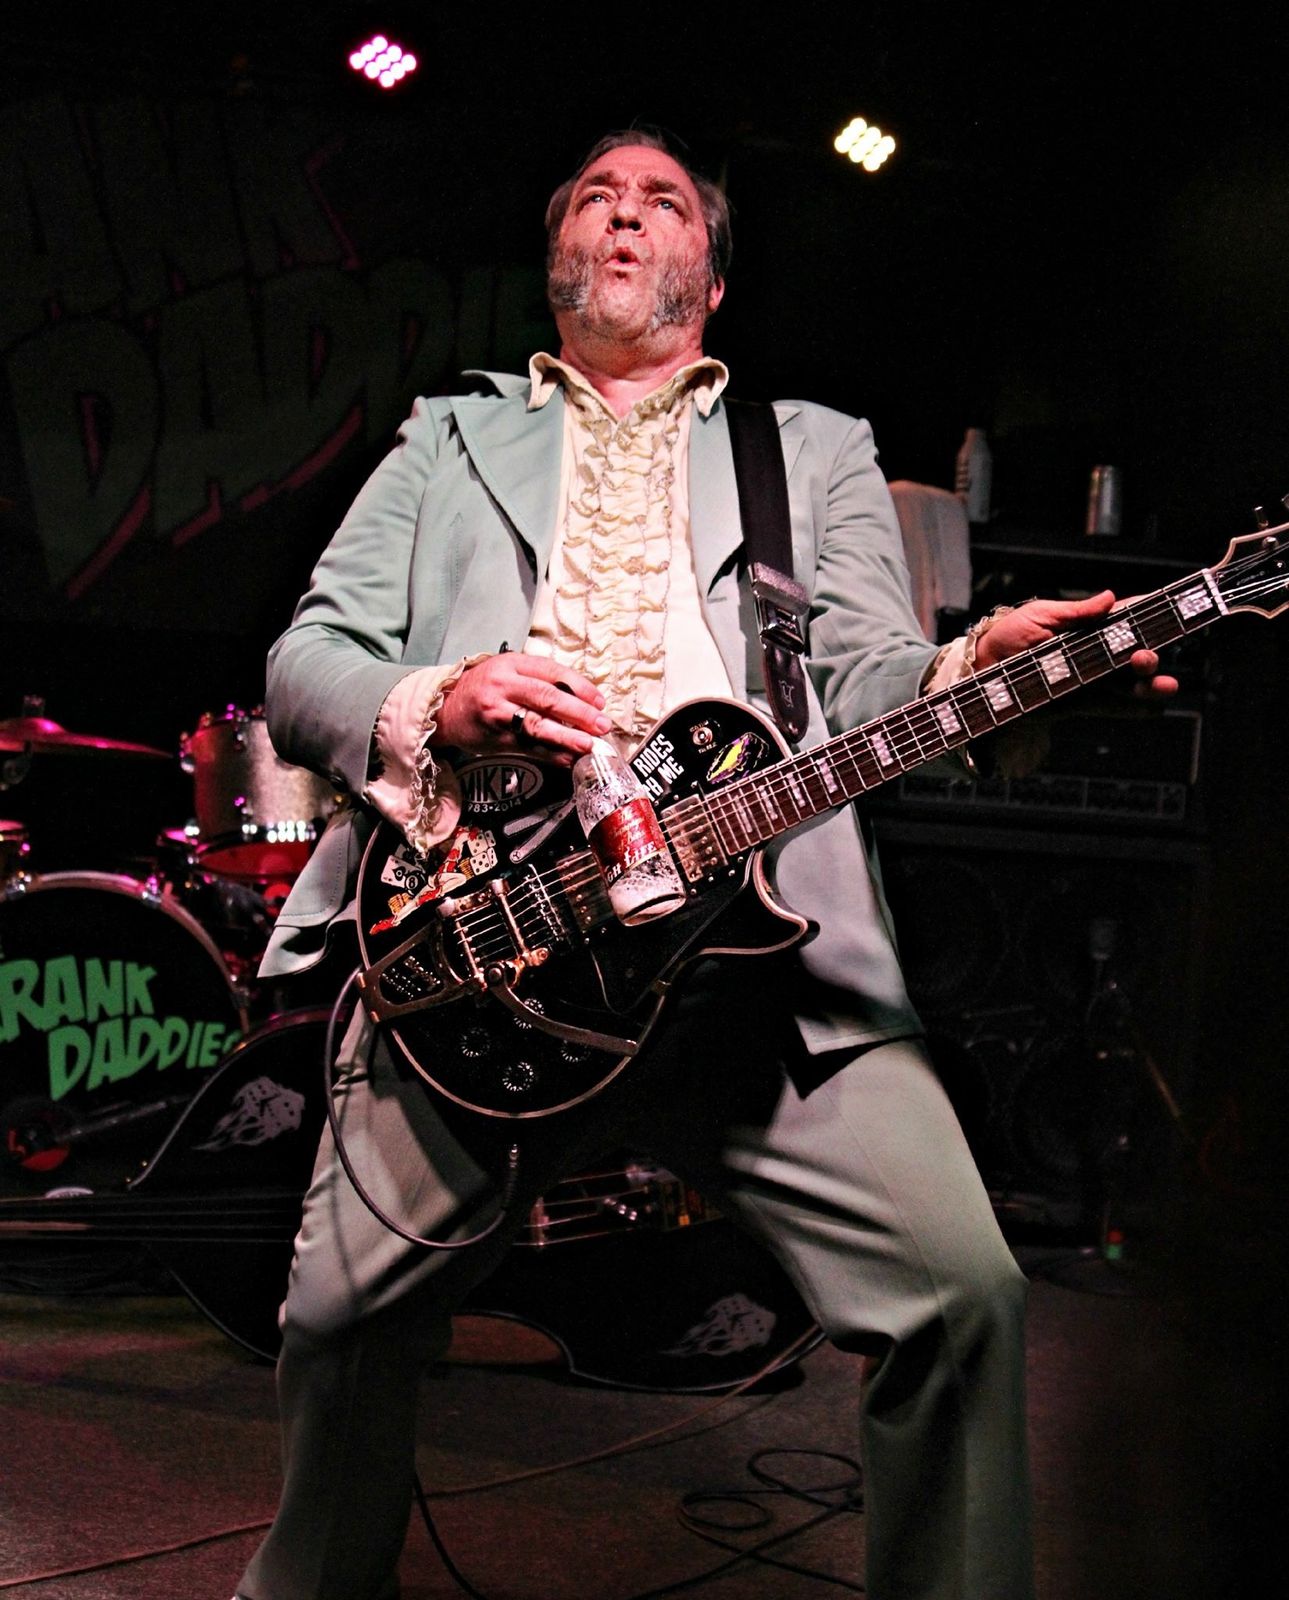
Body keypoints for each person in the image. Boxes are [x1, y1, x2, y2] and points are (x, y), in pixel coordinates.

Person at [235, 129, 1175, 1600]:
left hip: (756, 947)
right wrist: (444, 696)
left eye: (660, 200)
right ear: (558, 259)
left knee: (960, 1300)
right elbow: (308, 663)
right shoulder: (447, 437)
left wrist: (974, 663)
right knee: (341, 1325)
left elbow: (866, 680)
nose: (622, 211)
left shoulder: (813, 449)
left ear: (711, 278)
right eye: (594, 199)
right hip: (491, 934)